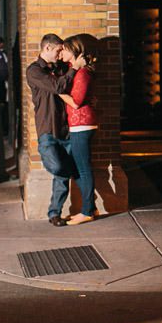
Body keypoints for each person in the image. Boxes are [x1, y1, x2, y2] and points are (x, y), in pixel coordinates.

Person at [26, 33, 80, 227]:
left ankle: (54, 213)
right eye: (58, 50)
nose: (59, 54)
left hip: (66, 128)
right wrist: (74, 69)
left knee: (62, 174)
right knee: (59, 168)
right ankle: (57, 209)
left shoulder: (61, 68)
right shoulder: (34, 71)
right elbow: (57, 86)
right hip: (47, 129)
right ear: (47, 48)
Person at [58, 35, 99, 225]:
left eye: (65, 49)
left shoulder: (82, 73)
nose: (61, 53)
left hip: (82, 125)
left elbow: (76, 102)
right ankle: (91, 206)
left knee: (83, 169)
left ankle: (87, 211)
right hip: (77, 125)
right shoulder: (74, 71)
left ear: (75, 51)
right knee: (78, 168)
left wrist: (57, 91)